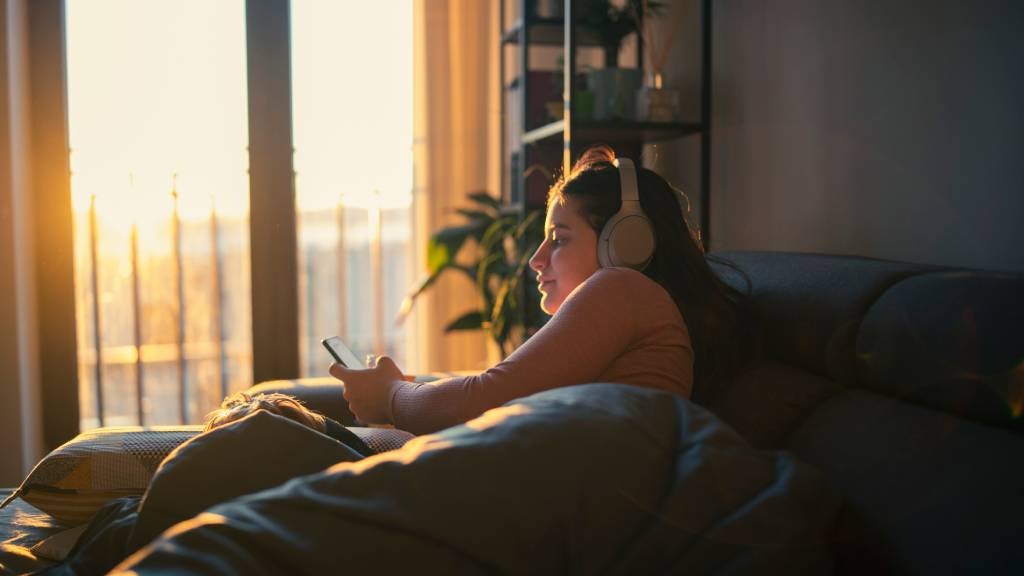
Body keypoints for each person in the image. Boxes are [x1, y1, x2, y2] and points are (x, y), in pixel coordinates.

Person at [331, 145, 741, 435]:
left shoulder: (624, 287)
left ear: (624, 243)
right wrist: (406, 390)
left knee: (278, 434)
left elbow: (485, 399)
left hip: (567, 504)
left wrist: (392, 396)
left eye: (559, 239)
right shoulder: (631, 306)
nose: (535, 260)